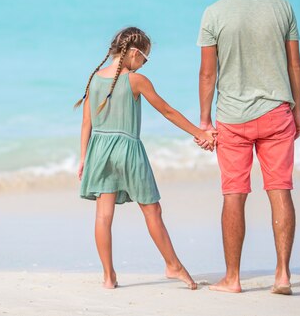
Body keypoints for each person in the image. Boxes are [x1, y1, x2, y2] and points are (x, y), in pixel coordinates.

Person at [196, 0, 300, 295]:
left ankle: (233, 279)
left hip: (233, 118)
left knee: (233, 195)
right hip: (277, 112)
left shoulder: (214, 13)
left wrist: (204, 120)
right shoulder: (282, 5)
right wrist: (297, 108)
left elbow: (207, 75)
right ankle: (283, 275)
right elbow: (294, 65)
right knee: (280, 191)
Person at [75, 26, 215, 290]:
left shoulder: (94, 79)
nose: (143, 65)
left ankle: (108, 277)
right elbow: (167, 111)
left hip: (99, 151)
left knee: (103, 217)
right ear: (134, 53)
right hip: (128, 151)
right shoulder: (135, 80)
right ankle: (173, 265)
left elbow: (86, 123)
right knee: (152, 211)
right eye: (145, 59)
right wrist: (199, 133)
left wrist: (83, 158)